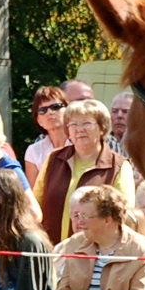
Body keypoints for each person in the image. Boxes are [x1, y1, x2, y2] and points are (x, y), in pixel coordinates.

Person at [33, 98, 136, 245]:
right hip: (52, 252)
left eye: (86, 123)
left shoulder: (118, 166)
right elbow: (35, 206)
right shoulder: (53, 159)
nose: (79, 129)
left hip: (94, 254)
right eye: (73, 124)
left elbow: (124, 216)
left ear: (102, 128)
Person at [24, 86, 68, 187]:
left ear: (68, 110)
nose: (49, 112)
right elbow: (33, 193)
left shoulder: (79, 143)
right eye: (43, 110)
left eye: (56, 107)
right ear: (39, 120)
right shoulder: (34, 151)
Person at [108, 89, 134, 154]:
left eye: (125, 112)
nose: (119, 116)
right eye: (115, 111)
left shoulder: (144, 146)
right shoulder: (102, 143)